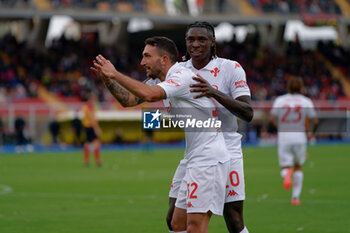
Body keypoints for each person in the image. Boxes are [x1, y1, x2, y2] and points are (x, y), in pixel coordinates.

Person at [91, 36, 231, 233]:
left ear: (164, 59)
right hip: (193, 158)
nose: (142, 62)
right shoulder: (160, 79)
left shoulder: (181, 77)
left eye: (147, 56)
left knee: (195, 227)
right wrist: (107, 80)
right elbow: (129, 100)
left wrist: (114, 73)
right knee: (175, 223)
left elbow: (149, 95)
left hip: (209, 159)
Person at [169, 21, 253, 233]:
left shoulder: (230, 68)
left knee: (233, 217)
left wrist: (213, 92)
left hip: (228, 149)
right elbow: (149, 94)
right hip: (195, 152)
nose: (195, 44)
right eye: (191, 39)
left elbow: (248, 112)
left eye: (201, 39)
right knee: (173, 218)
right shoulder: (177, 70)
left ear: (212, 42)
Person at [269, 76, 318, 205]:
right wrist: (311, 134)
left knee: (285, 166)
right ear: (301, 87)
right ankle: (295, 198)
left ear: (288, 87)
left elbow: (271, 119)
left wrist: (280, 127)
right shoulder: (306, 101)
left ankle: (286, 173)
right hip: (300, 137)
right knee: (298, 166)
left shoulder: (280, 100)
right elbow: (315, 121)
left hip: (285, 136)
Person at [81, 93, 102, 167]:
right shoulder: (90, 108)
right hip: (91, 127)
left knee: (87, 143)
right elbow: (91, 119)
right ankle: (97, 161)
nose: (95, 101)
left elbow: (84, 119)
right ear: (91, 100)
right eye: (94, 100)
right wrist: (96, 128)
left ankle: (86, 161)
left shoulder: (85, 107)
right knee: (96, 143)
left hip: (87, 127)